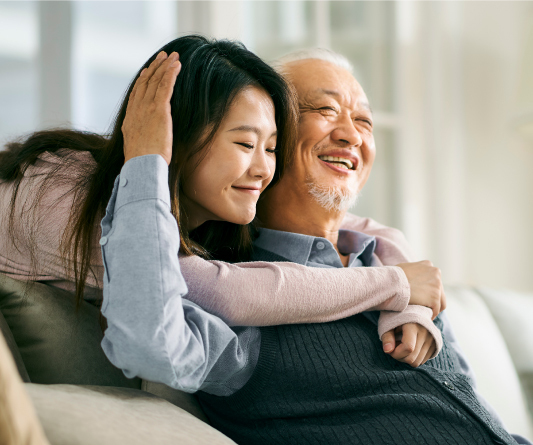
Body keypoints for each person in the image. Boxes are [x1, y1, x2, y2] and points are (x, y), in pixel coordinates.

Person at [99, 48, 533, 445]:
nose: (352, 134)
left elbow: (480, 421)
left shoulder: (395, 268)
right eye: (325, 110)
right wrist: (147, 161)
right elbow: (147, 340)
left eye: (364, 119)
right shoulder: (229, 301)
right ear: (270, 136)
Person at [0, 35, 446, 367]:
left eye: (271, 148)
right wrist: (394, 285)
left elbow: (357, 225)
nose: (262, 169)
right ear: (178, 135)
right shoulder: (70, 192)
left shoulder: (212, 214)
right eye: (244, 143)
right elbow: (224, 292)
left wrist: (411, 296)